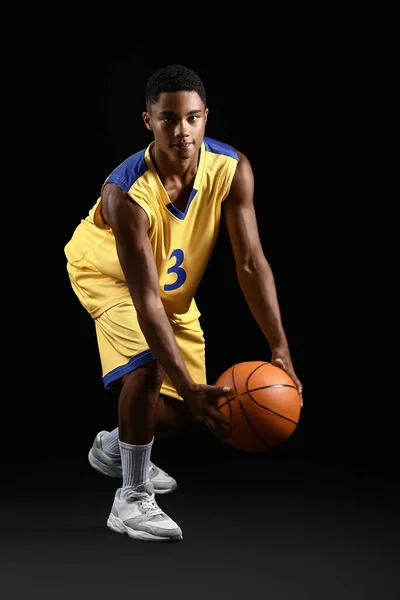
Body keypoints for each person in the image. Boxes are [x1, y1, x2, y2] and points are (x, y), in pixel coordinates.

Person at [64, 64, 303, 543]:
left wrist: (281, 350)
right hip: (108, 275)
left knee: (180, 414)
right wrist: (182, 379)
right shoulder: (126, 194)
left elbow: (252, 264)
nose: (182, 131)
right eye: (169, 119)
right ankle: (130, 498)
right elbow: (145, 301)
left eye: (192, 118)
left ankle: (116, 447)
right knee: (151, 367)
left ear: (206, 117)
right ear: (149, 121)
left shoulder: (232, 170)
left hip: (168, 288)